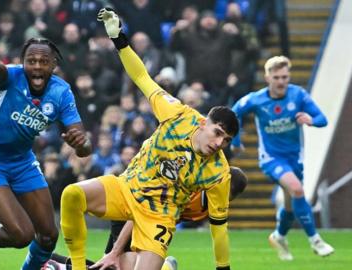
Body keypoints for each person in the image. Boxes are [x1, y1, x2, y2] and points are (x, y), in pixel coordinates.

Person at [60, 8, 239, 270]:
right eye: (218, 133)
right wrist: (119, 39)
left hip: (159, 217)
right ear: (204, 123)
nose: (219, 144)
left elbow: (219, 230)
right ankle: (77, 267)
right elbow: (141, 77)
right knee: (72, 195)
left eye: (226, 141)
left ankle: (164, 267)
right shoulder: (177, 114)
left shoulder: (219, 173)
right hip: (126, 189)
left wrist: (223, 268)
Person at [0, 1, 92, 269]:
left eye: (44, 61)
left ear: (53, 64)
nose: (36, 66)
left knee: (48, 236)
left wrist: (82, 144)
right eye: (31, 61)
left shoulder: (61, 92)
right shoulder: (9, 77)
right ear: (23, 63)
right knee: (21, 235)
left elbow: (82, 141)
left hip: (21, 162)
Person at [231, 56, 334, 261]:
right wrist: (235, 141)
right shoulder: (257, 99)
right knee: (297, 189)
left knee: (290, 206)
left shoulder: (298, 95)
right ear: (268, 77)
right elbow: (234, 112)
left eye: (285, 77)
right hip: (271, 158)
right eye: (276, 77)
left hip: (294, 159)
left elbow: (323, 119)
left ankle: (279, 236)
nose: (281, 81)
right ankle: (315, 240)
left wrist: (311, 120)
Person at [50, 167, 247, 270]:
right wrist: (116, 251)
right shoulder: (190, 190)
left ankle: (52, 262)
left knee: (110, 266)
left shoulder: (210, 207)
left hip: (146, 220)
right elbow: (138, 213)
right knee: (117, 263)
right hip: (130, 207)